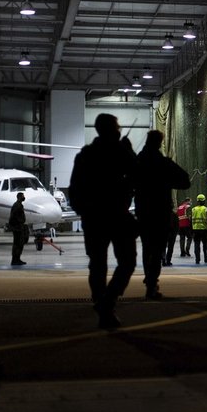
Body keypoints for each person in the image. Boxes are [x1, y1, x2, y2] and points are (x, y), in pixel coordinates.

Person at [68, 113, 138, 329]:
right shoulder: (120, 153)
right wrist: (128, 150)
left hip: (93, 218)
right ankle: (108, 302)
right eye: (117, 126)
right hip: (117, 215)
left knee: (97, 265)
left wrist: (85, 212)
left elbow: (75, 189)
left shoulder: (85, 155)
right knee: (127, 262)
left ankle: (101, 302)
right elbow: (137, 173)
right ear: (111, 129)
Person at [134, 130, 190, 299]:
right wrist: (166, 182)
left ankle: (149, 280)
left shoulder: (138, 161)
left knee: (147, 248)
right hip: (160, 212)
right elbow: (185, 181)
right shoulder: (163, 163)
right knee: (158, 249)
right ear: (159, 143)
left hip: (143, 211)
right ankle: (152, 282)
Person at [191, 193, 207, 264]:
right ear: (204, 201)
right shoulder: (206, 209)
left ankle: (197, 260)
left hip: (195, 230)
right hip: (204, 230)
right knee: (205, 244)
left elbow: (191, 220)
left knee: (196, 245)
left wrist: (191, 230)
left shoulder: (193, 209)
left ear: (197, 201)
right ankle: (206, 258)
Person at [8, 192, 28, 266]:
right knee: (17, 244)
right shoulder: (17, 206)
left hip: (18, 227)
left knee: (19, 244)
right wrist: (18, 224)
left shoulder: (19, 205)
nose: (24, 197)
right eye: (23, 196)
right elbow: (14, 217)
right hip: (17, 228)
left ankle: (17, 259)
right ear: (19, 197)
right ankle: (15, 260)